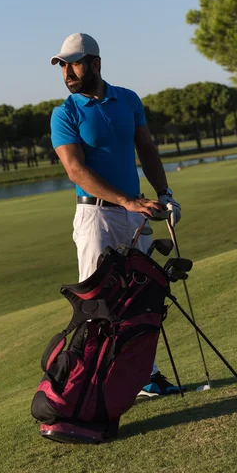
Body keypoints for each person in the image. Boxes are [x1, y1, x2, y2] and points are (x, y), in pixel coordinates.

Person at [50, 32, 183, 397]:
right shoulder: (65, 113)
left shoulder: (128, 99)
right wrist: (128, 201)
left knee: (140, 298)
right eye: (62, 65)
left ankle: (145, 376)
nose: (67, 72)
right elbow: (76, 171)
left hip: (135, 212)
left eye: (74, 63)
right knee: (99, 304)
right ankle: (94, 384)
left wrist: (165, 194)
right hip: (96, 218)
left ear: (95, 63)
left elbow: (147, 149)